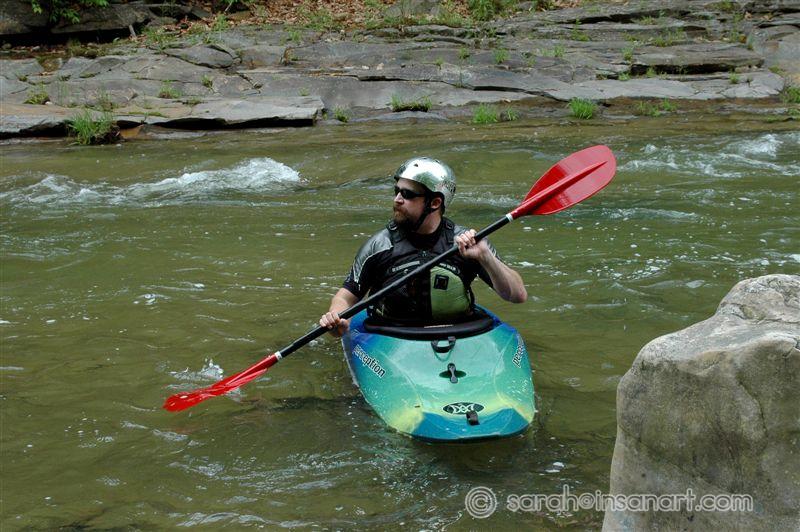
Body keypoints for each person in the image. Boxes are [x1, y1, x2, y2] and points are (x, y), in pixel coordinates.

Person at [320, 157, 527, 337]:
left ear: (434, 202)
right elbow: (346, 297)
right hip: (392, 334)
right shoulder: (379, 245)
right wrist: (336, 318)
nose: (397, 199)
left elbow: (517, 296)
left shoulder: (467, 243)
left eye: (407, 194)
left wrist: (485, 257)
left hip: (459, 332)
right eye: (396, 191)